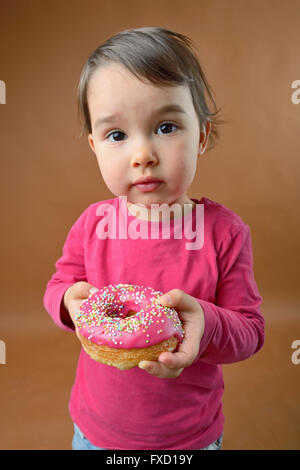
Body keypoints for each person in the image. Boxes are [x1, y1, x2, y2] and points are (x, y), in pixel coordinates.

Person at [43, 27, 264, 450]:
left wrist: (207, 321)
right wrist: (67, 302)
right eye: (117, 135)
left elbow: (250, 330)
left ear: (200, 134)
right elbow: (58, 287)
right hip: (97, 432)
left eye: (165, 126)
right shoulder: (93, 226)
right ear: (94, 147)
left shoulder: (225, 233)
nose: (142, 154)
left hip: (188, 438)